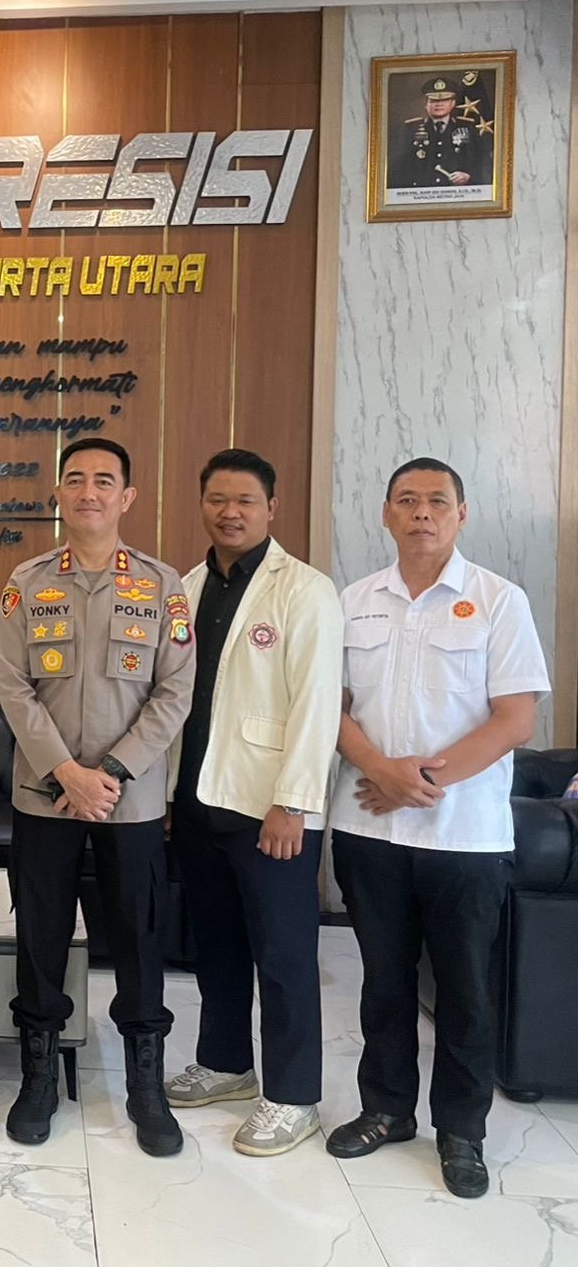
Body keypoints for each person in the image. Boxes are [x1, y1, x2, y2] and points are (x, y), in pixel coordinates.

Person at [325, 458, 547, 1199]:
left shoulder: (499, 600)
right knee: (383, 982)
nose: (422, 513)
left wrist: (421, 781)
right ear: (386, 513)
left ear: (461, 514)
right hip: (369, 828)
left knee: (465, 991)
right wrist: (380, 771)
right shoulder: (354, 601)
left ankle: (462, 1130)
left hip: (465, 837)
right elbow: (332, 707)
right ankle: (387, 1111)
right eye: (408, 500)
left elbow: (516, 719)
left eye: (437, 502)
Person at [0, 437, 195, 1156]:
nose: (89, 492)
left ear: (126, 497)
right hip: (44, 796)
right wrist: (66, 773)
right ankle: (39, 1079)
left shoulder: (163, 586)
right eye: (75, 479)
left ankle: (146, 1086)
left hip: (128, 801)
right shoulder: (25, 582)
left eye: (104, 481)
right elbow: (12, 687)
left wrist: (109, 772)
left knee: (139, 938)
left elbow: (174, 692)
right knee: (40, 935)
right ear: (57, 494)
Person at [162, 449, 342, 1156]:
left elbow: (318, 705)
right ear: (202, 505)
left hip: (270, 805)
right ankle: (226, 1063)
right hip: (199, 798)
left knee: (284, 952)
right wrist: (170, 793)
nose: (229, 512)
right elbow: (176, 700)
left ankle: (294, 1097)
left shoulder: (305, 590)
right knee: (217, 943)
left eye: (244, 501)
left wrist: (294, 803)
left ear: (271, 508)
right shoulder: (186, 586)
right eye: (217, 499)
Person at [392, 76, 488, 189]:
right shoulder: (411, 129)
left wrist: (468, 176)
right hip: (421, 193)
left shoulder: (468, 127)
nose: (439, 104)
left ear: (453, 103)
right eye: (433, 100)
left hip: (458, 193)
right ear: (426, 104)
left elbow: (482, 162)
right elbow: (399, 166)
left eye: (444, 100)